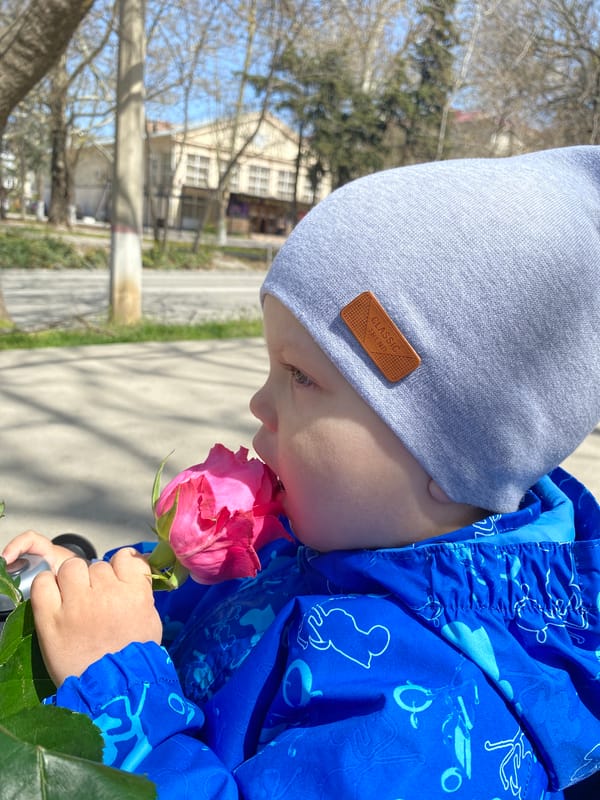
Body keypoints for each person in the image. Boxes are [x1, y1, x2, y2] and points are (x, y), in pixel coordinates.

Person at [3, 145, 600, 800]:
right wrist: (97, 589)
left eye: (301, 377)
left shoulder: (434, 720)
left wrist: (119, 694)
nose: (259, 405)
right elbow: (187, 612)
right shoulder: (322, 534)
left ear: (451, 458)